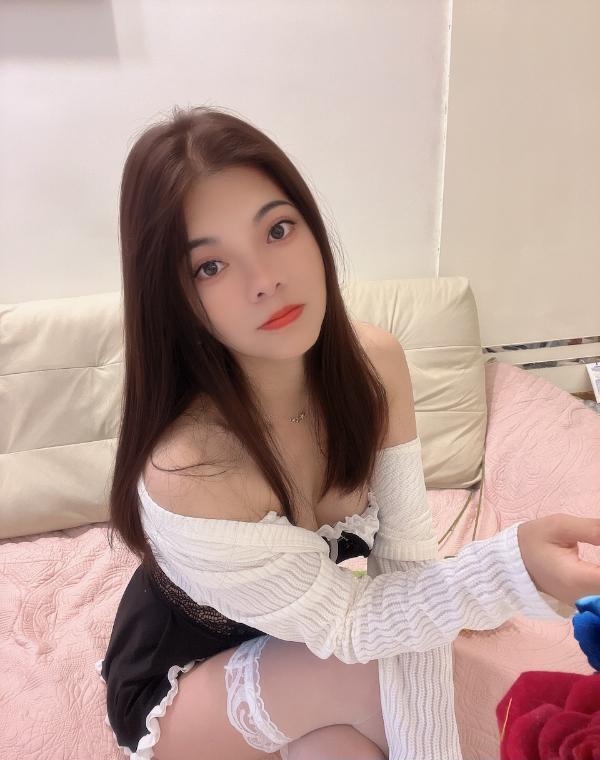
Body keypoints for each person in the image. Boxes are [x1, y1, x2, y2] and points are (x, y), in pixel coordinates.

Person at [95, 105, 600, 760]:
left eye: (278, 229)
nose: (266, 281)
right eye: (210, 267)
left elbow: (406, 555)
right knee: (379, 678)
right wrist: (512, 568)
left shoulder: (372, 364)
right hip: (182, 678)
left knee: (373, 720)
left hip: (303, 641)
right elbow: (356, 627)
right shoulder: (192, 467)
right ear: (174, 297)